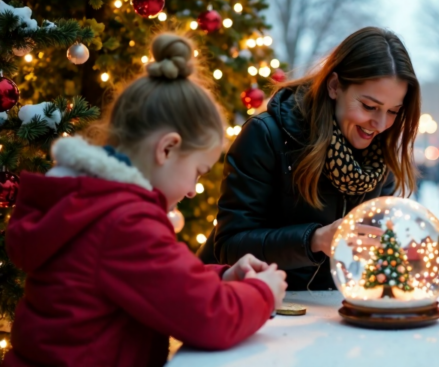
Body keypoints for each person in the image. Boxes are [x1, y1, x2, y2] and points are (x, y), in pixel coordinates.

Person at [4, 33, 287, 367]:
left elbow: (160, 281)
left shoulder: (91, 201)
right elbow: (210, 318)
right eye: (197, 171)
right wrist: (263, 293)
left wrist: (222, 278)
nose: (194, 190)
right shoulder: (124, 220)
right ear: (167, 148)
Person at [210, 27, 420, 291]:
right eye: (369, 106)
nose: (379, 124)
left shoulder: (382, 157)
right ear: (334, 86)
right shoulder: (265, 136)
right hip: (259, 307)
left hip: (330, 316)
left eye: (393, 111)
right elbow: (230, 247)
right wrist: (315, 240)